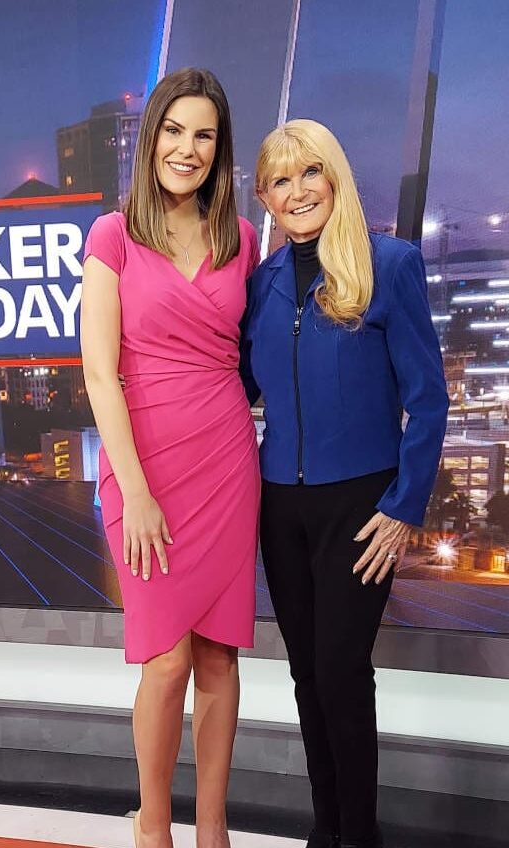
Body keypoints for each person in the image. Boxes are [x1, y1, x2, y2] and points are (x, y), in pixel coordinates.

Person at [242, 119, 448, 848]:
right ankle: (325, 828)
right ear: (263, 195)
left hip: (361, 505)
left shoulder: (389, 264)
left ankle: (359, 836)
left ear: (334, 177)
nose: (296, 192)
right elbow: (235, 388)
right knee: (306, 675)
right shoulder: (260, 282)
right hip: (280, 506)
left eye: (310, 174)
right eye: (279, 180)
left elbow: (428, 398)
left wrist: (404, 506)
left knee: (339, 671)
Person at [80, 68, 260, 848]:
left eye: (205, 135)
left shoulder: (241, 238)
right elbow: (98, 371)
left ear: (220, 151)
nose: (188, 148)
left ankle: (211, 831)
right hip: (143, 460)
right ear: (151, 135)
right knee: (167, 661)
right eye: (175, 130)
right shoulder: (112, 235)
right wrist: (138, 491)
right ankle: (154, 828)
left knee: (219, 656)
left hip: (225, 456)